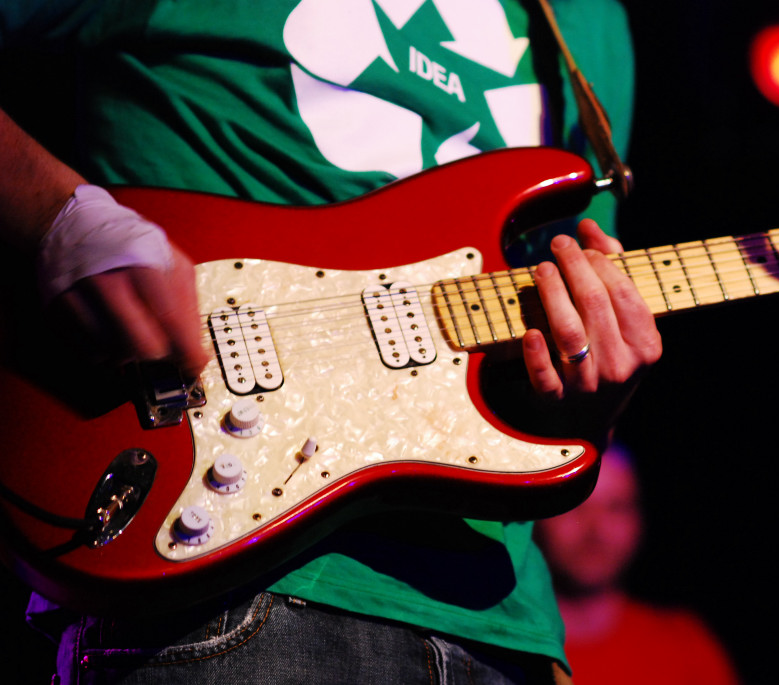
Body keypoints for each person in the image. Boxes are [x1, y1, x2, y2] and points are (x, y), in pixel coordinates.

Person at [0, 1, 661, 683]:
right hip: (215, 590)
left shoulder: (587, 21)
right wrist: (55, 217)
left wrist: (592, 386)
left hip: (497, 621)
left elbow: (569, 341)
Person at [535, 444, 740, 684]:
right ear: (538, 519)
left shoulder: (686, 647)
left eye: (616, 507)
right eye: (576, 506)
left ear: (639, 521)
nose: (596, 530)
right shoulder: (506, 651)